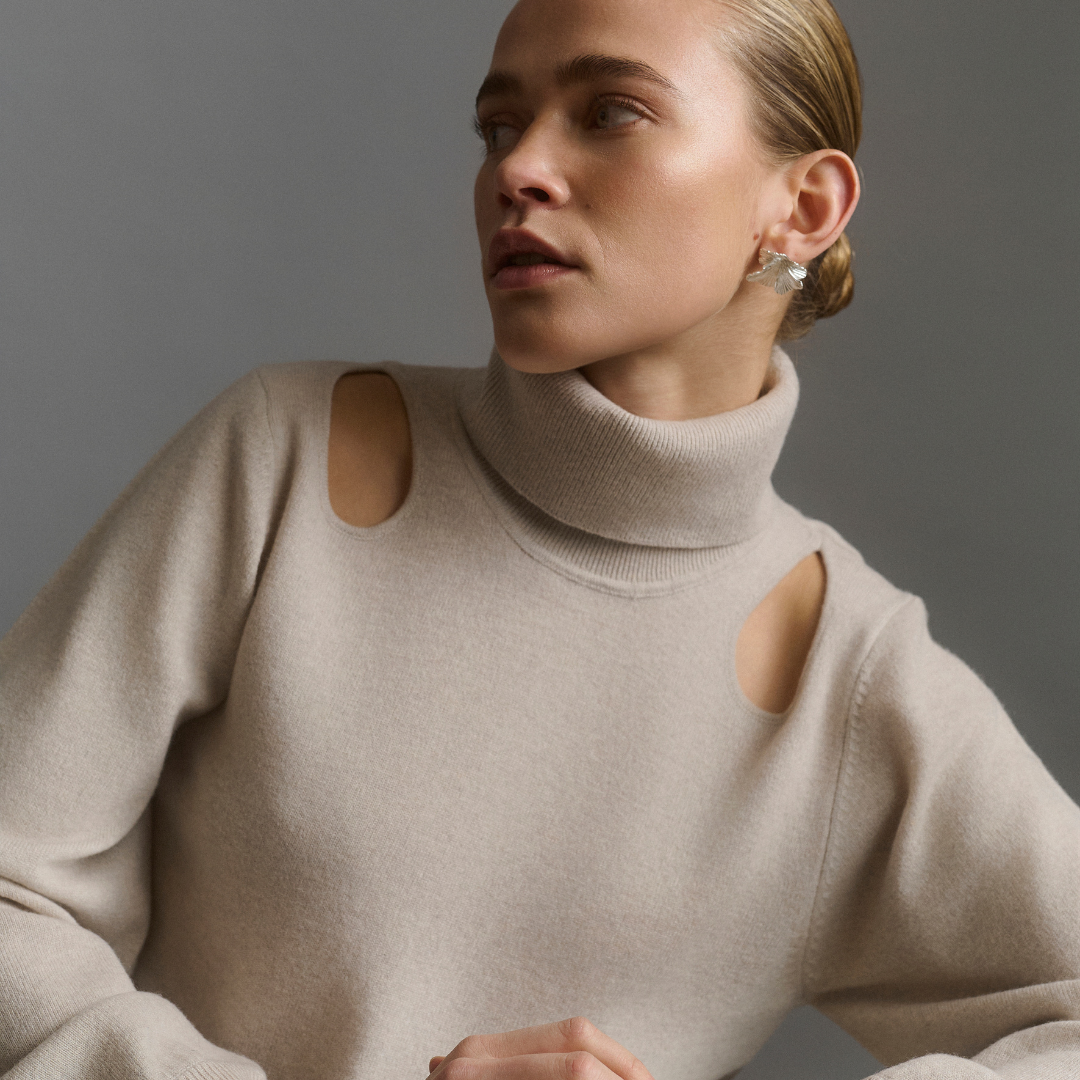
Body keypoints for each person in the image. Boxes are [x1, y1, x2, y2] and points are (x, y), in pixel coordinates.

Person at [1, 0, 1077, 1078]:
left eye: (610, 112)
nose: (518, 170)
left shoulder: (845, 674)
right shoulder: (283, 457)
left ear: (803, 208)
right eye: (499, 126)